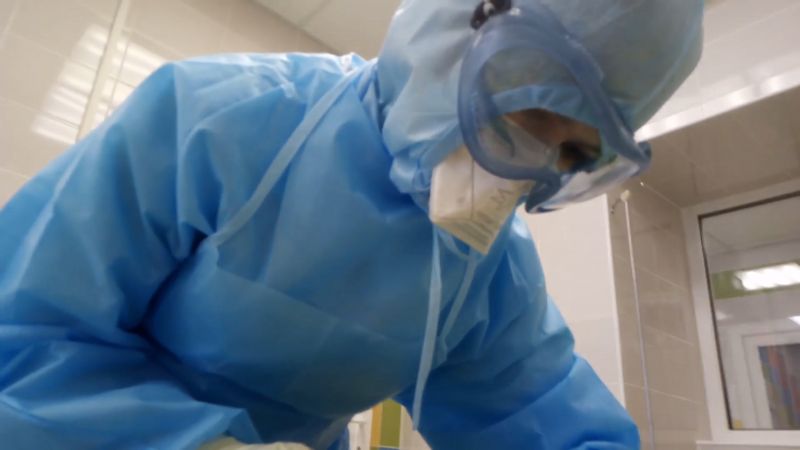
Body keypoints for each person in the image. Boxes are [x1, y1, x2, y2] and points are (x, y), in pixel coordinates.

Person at [0, 0, 703, 448]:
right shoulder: (219, 117)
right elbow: (24, 333)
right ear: (454, 35)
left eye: (574, 155)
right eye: (531, 113)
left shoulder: (486, 271)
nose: (530, 165)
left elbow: (539, 414)